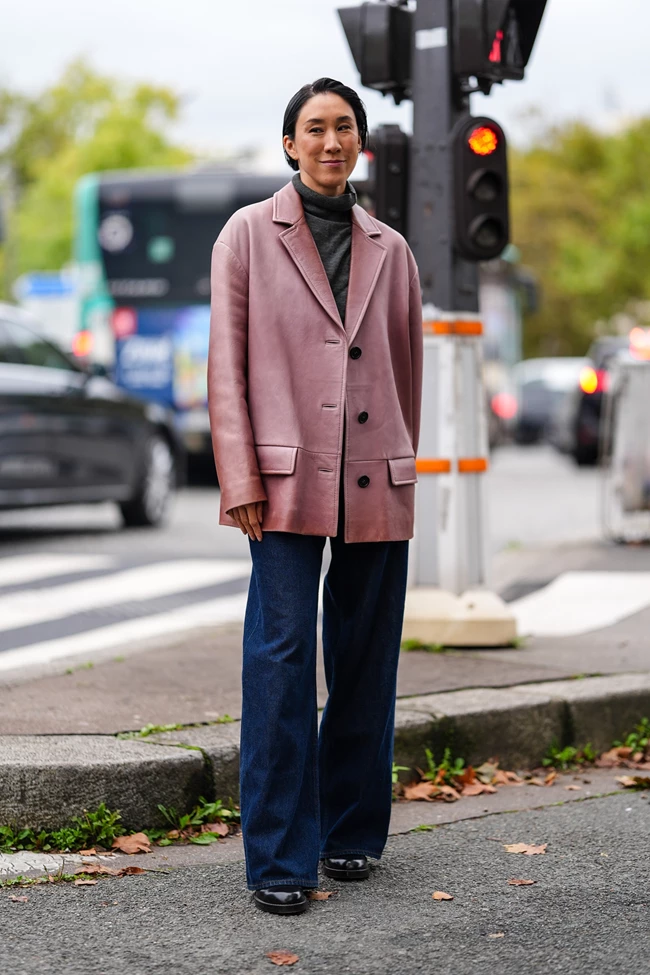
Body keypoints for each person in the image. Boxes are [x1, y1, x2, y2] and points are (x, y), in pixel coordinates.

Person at [208, 77, 423, 915]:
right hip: (283, 480)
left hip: (377, 474)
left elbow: (406, 369)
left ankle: (352, 831)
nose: (332, 141)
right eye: (315, 129)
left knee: (367, 662)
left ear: (360, 143)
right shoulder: (247, 235)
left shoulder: (391, 249)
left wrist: (404, 463)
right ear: (290, 143)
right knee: (283, 661)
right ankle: (279, 857)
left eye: (345, 128)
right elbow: (228, 366)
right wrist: (240, 480)